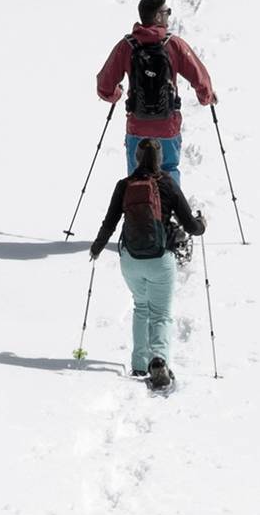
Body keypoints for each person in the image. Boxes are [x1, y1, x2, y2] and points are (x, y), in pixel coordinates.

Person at [86, 138, 206, 388]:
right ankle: (159, 360)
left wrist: (97, 248)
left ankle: (139, 365)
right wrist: (201, 224)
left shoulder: (125, 185)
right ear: (161, 159)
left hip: (131, 260)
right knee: (161, 314)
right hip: (160, 260)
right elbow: (190, 226)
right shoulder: (168, 184)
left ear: (137, 158)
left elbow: (109, 223)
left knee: (141, 307)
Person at [95, 0, 217, 188]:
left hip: (137, 125)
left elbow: (104, 86)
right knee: (168, 170)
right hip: (167, 125)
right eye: (167, 12)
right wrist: (207, 97)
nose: (168, 16)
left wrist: (116, 93)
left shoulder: (126, 46)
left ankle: (138, 213)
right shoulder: (174, 44)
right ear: (158, 17)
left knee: (137, 176)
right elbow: (199, 76)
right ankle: (169, 213)